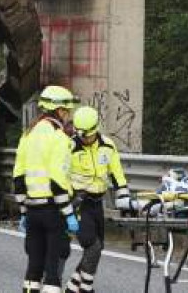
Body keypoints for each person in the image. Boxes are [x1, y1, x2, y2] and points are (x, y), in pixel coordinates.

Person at [12, 85, 80, 293]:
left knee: (33, 269)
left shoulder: (28, 134)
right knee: (52, 270)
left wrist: (23, 211)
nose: (69, 115)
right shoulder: (58, 137)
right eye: (67, 110)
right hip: (53, 212)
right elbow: (58, 181)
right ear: (59, 110)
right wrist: (69, 214)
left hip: (32, 211)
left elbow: (18, 177)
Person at [64, 106, 134, 293]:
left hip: (97, 203)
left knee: (97, 248)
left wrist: (124, 195)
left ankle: (72, 288)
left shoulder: (108, 146)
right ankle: (86, 289)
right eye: (81, 135)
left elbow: (117, 173)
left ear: (96, 130)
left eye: (87, 135)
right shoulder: (69, 148)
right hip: (78, 203)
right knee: (92, 247)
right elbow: (61, 177)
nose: (84, 139)